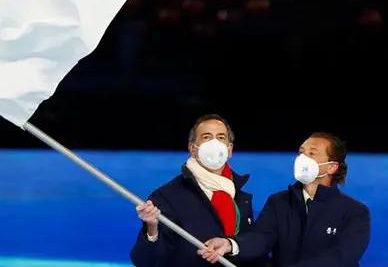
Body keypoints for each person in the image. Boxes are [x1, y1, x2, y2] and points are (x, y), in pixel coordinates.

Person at [199, 131, 370, 266]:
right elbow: (261, 238)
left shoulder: (354, 211)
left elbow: (342, 257)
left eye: (312, 153)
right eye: (301, 152)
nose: (303, 158)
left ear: (332, 167)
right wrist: (230, 245)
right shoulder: (279, 202)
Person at [131, 114, 261, 267]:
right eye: (206, 137)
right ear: (192, 148)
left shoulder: (239, 195)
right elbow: (146, 262)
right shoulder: (167, 196)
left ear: (229, 149)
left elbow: (253, 250)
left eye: (221, 137)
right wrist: (152, 229)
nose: (214, 143)